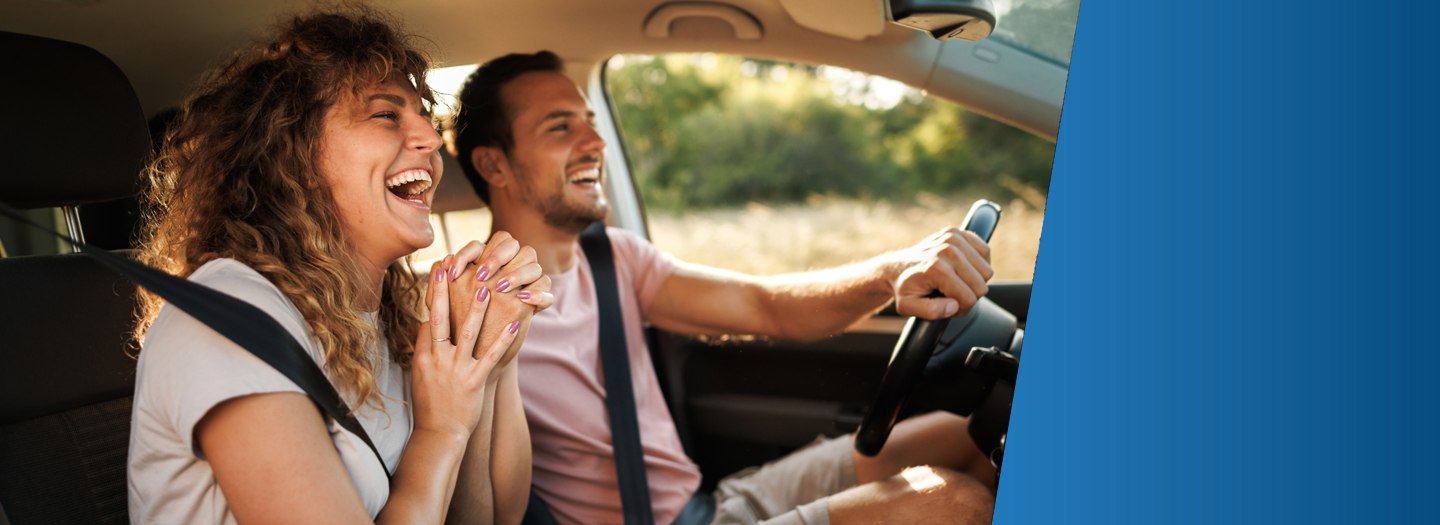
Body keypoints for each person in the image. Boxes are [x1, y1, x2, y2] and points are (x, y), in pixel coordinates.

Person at [446, 51, 998, 525]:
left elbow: (766, 307)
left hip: (714, 504)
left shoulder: (615, 258)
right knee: (954, 504)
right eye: (560, 127)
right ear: (494, 165)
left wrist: (890, 272)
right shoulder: (470, 309)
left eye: (590, 121)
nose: (595, 141)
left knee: (976, 434)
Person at [126, 10, 553, 524]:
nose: (433, 138)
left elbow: (496, 517)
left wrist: (487, 350)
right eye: (386, 115)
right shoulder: (229, 318)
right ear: (296, 155)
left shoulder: (384, 320)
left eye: (425, 116)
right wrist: (440, 431)